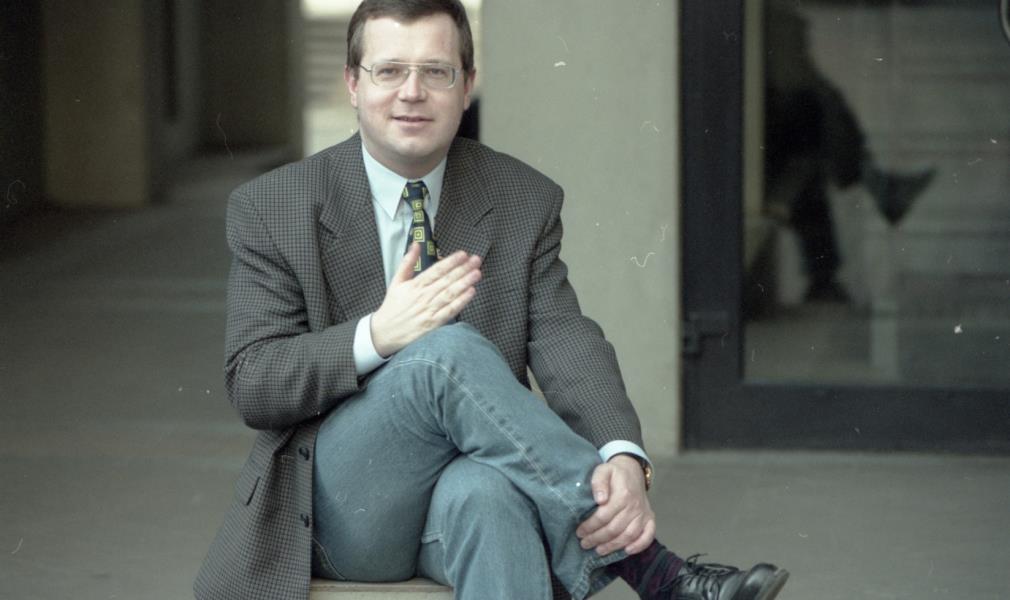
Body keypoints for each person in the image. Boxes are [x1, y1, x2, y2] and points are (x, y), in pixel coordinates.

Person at [194, 2, 789, 599]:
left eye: (436, 72)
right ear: (353, 83)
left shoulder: (520, 197)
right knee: (442, 354)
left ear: (467, 85)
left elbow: (565, 340)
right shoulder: (274, 206)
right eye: (389, 71)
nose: (412, 93)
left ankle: (652, 573)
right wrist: (377, 334)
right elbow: (254, 379)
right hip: (340, 510)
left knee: (491, 495)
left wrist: (623, 456)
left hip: (459, 492)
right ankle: (653, 571)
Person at [764, 1, 935, 303]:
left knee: (815, 133)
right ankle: (878, 185)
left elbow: (804, 77)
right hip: (761, 148)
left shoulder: (776, 21)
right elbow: (798, 78)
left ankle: (877, 187)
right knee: (814, 118)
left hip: (781, 144)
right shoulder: (765, 22)